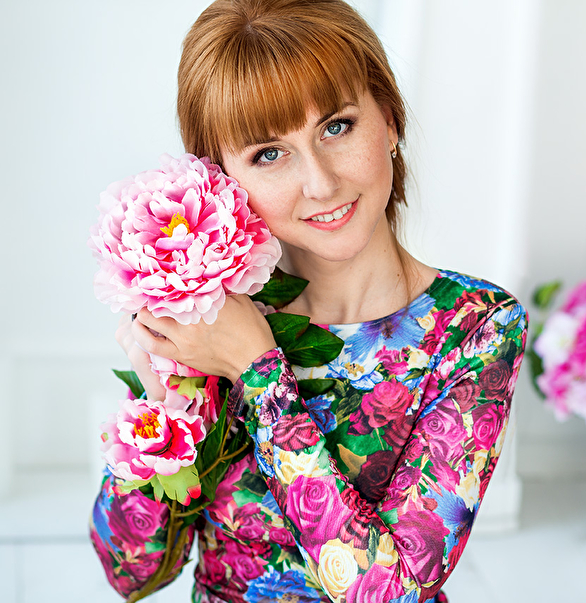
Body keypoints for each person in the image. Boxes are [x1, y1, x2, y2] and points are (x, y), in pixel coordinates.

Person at [90, 1, 528, 602]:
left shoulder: (476, 327)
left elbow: (391, 590)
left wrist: (258, 374)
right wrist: (162, 403)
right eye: (268, 154)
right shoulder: (212, 317)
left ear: (389, 119)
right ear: (221, 179)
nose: (321, 183)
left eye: (336, 127)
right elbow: (132, 574)